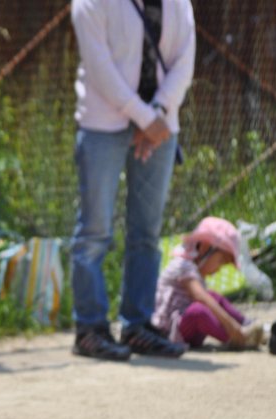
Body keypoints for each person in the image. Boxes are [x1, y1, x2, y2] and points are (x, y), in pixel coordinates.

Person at [69, 0, 196, 361]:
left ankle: (137, 325)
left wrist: (158, 112)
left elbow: (185, 60)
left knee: (147, 233)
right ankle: (90, 329)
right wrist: (144, 117)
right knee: (94, 232)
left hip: (161, 124)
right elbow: (100, 68)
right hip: (103, 124)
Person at [152, 216, 265, 349]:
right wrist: (230, 325)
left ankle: (246, 324)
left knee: (212, 296)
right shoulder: (182, 266)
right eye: (221, 261)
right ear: (205, 247)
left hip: (189, 331)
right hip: (170, 331)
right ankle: (237, 337)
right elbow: (200, 297)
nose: (219, 269)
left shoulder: (194, 269)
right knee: (199, 310)